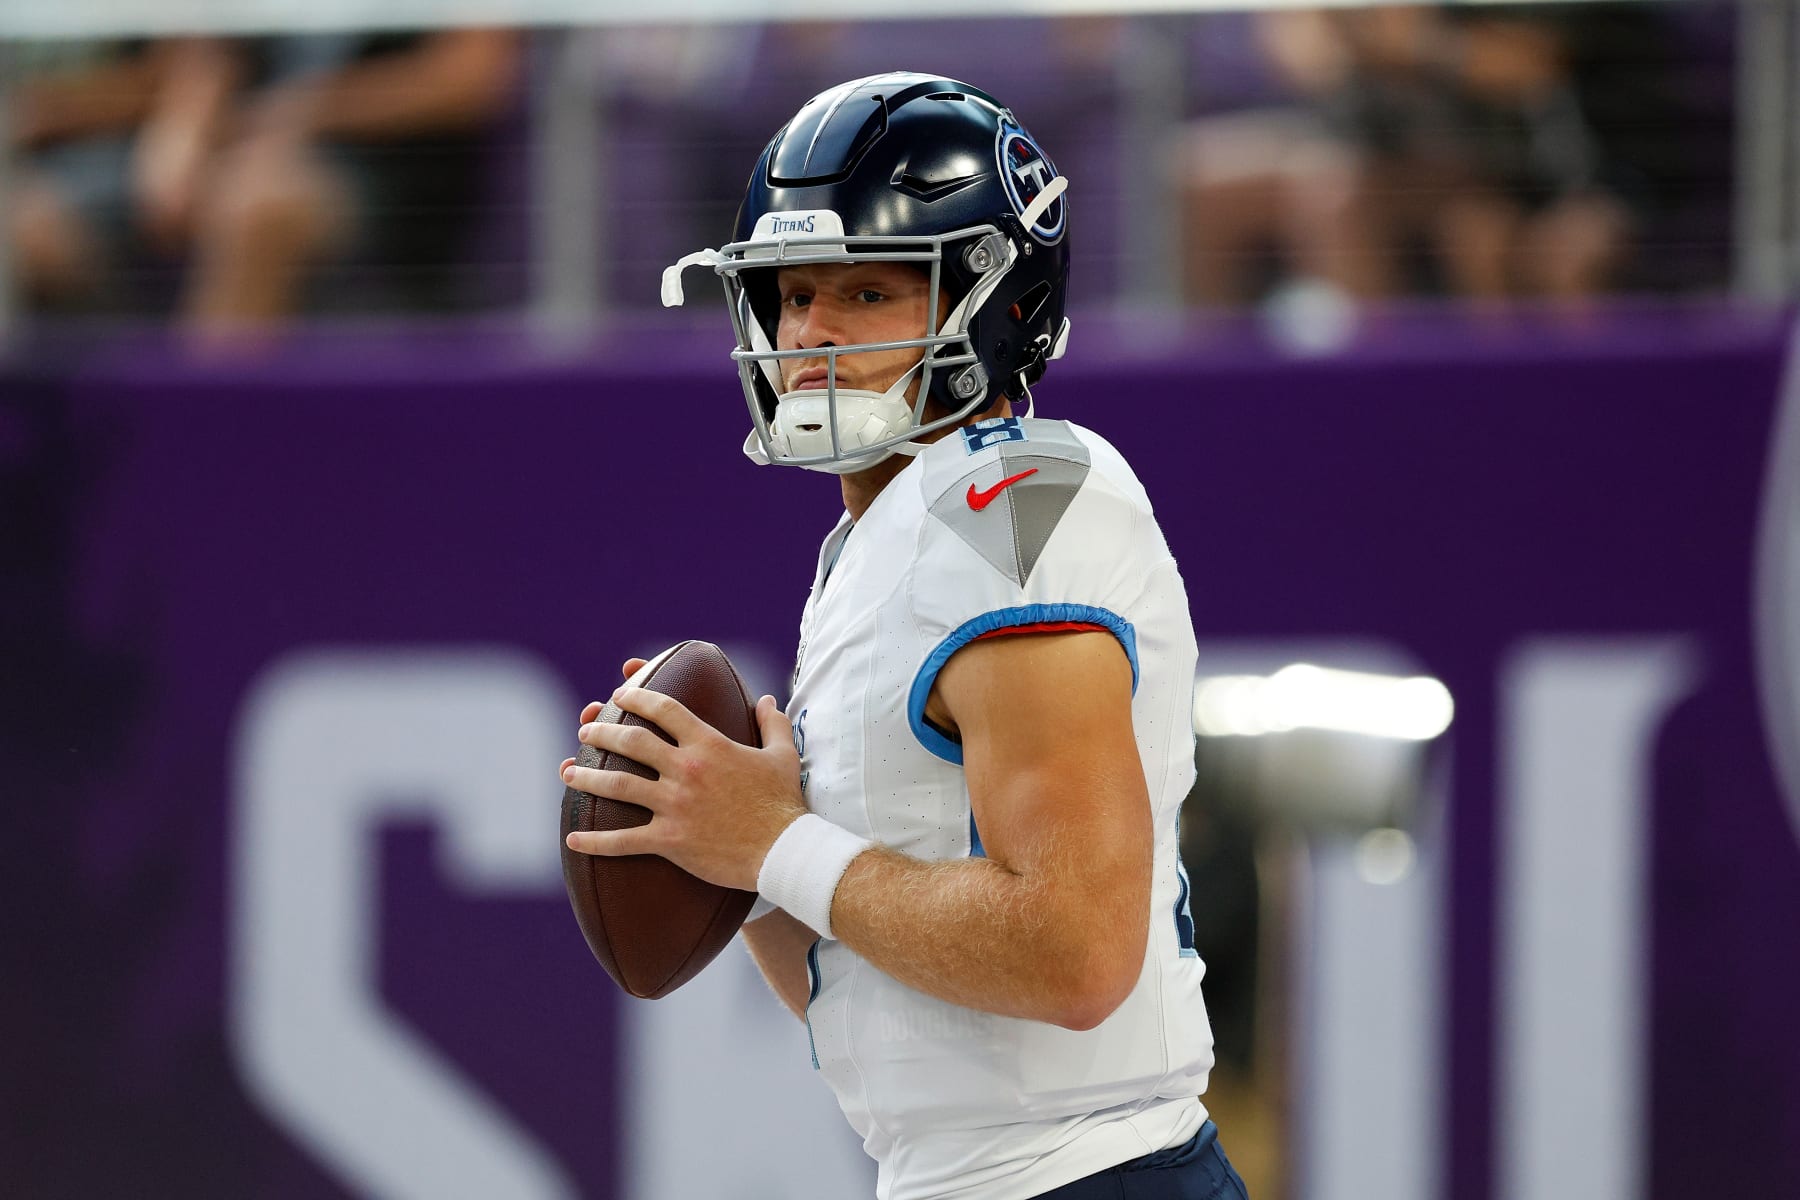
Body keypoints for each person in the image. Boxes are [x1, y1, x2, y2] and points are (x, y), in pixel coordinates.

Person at [562, 73, 1247, 1200]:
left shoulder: (1018, 499)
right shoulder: (882, 536)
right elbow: (887, 1003)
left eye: (869, 293)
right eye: (789, 296)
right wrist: (723, 844)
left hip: (1085, 1175)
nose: (810, 334)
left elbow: (1074, 953)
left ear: (997, 302)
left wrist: (776, 846)